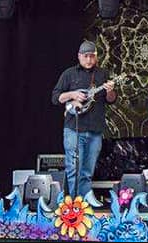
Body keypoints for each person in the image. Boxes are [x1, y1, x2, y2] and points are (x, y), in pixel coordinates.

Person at [51, 40, 116, 198]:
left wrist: (109, 91)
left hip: (95, 129)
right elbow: (55, 97)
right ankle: (72, 203)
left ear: (96, 57)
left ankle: (84, 202)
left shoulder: (102, 74)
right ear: (79, 56)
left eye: (92, 56)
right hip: (74, 128)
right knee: (73, 168)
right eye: (86, 56)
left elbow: (112, 100)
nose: (89, 60)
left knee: (87, 171)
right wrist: (72, 95)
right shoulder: (69, 74)